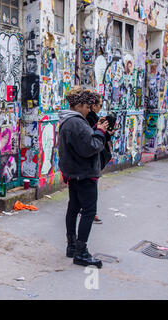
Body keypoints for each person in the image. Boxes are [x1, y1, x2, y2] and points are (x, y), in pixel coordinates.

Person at [58, 86, 109, 268]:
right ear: (79, 105)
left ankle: (72, 246)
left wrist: (95, 128)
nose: (89, 109)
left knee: (73, 208)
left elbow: (81, 143)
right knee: (88, 212)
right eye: (87, 106)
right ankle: (81, 252)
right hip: (84, 174)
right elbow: (91, 146)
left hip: (74, 173)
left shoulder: (69, 121)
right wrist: (100, 132)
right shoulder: (77, 122)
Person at [85, 91, 114, 224]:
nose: (100, 108)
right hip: (91, 161)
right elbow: (94, 139)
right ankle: (90, 212)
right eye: (99, 105)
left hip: (90, 161)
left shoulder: (91, 118)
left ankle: (87, 210)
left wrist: (104, 130)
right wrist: (102, 130)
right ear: (92, 106)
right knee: (90, 188)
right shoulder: (89, 119)